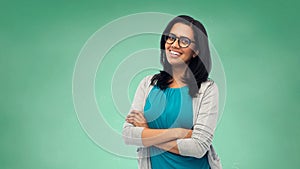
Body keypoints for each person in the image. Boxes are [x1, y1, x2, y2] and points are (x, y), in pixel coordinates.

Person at [122, 15, 222, 169]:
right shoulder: (147, 84)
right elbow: (128, 135)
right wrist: (179, 132)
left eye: (184, 41)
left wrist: (148, 133)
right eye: (171, 38)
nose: (174, 45)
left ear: (195, 51)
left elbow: (198, 148)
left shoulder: (207, 89)